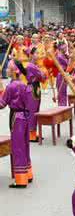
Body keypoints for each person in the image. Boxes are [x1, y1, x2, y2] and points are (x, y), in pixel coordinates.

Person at [0, 60, 32, 188]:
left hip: (16, 118)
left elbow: (2, 104)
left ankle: (20, 180)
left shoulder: (11, 86)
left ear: (15, 71)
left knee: (17, 147)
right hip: (25, 116)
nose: (6, 70)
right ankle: (28, 174)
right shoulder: (23, 84)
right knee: (25, 145)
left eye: (9, 68)